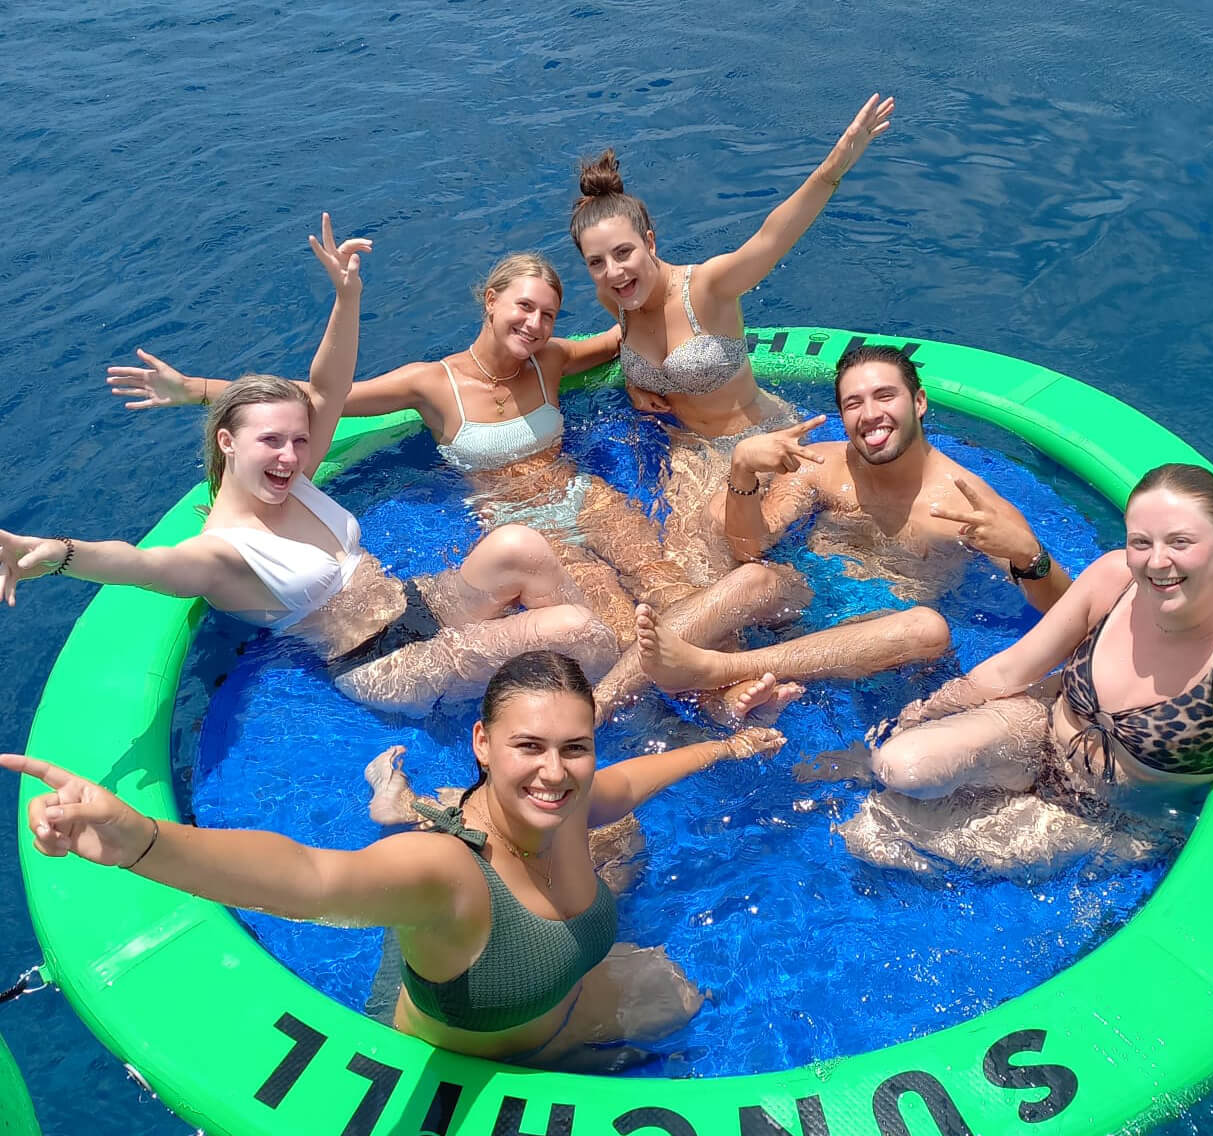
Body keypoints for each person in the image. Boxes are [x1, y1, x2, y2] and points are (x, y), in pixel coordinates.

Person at [102, 250, 810, 721]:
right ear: (491, 299)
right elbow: (320, 397)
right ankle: (711, 707)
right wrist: (193, 389)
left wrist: (659, 349)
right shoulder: (429, 383)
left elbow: (634, 334)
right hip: (519, 521)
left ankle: (730, 670)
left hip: (583, 494)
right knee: (616, 626)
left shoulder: (552, 360)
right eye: (522, 308)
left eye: (547, 314)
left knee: (668, 584)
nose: (533, 325)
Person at [2, 651, 785, 1068]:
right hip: (469, 1057)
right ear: (482, 741)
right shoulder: (442, 873)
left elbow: (618, 787)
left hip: (561, 999)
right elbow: (311, 881)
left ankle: (400, 796)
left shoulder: (571, 793)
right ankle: (398, 807)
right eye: (529, 747)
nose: (556, 770)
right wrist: (143, 841)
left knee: (682, 984)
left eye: (573, 748)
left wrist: (727, 743)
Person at [3, 222, 616, 715]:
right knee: (579, 629)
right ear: (229, 442)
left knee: (520, 545)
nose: (291, 456)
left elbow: (329, 387)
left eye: (297, 441)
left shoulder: (292, 480)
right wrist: (57, 553)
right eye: (272, 442)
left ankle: (587, 677)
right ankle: (621, 702)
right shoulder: (225, 552)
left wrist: (348, 297)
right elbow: (139, 565)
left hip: (415, 604)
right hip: (382, 666)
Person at [845, 462, 1213, 869]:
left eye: (1180, 541)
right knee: (900, 767)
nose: (1157, 562)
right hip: (1037, 731)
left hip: (1110, 816)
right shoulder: (1115, 579)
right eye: (1142, 542)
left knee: (873, 833)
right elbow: (1012, 670)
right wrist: (913, 718)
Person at [569, 94, 896, 573]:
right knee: (680, 566)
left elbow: (771, 236)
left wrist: (832, 168)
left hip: (762, 437)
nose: (614, 272)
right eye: (596, 263)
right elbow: (627, 343)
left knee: (775, 557)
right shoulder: (617, 300)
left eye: (623, 253)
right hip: (689, 456)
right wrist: (638, 383)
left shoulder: (707, 289)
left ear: (650, 242)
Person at [720, 343, 1072, 614]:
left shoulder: (964, 508)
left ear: (919, 402)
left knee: (922, 630)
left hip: (890, 650)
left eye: (885, 396)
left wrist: (1028, 554)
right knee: (748, 573)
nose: (871, 414)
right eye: (854, 403)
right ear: (841, 415)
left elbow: (1068, 611)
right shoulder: (819, 467)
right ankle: (670, 660)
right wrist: (742, 469)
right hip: (798, 613)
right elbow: (750, 548)